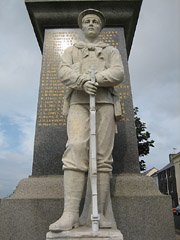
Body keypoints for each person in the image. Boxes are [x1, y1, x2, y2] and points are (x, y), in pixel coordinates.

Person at [49, 8, 124, 232]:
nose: (91, 24)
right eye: (87, 21)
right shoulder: (72, 50)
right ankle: (70, 214)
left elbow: (118, 72)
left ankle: (99, 213)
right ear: (82, 27)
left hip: (105, 103)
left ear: (100, 27)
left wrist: (97, 80)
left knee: (102, 157)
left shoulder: (110, 51)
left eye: (95, 21)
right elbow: (63, 71)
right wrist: (82, 81)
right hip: (78, 103)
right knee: (75, 147)